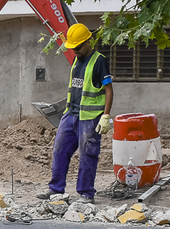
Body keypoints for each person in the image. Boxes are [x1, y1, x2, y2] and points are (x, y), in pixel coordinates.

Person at [36, 23, 114, 204]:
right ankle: (56, 189)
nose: (75, 51)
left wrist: (105, 116)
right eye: (72, 48)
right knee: (59, 150)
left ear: (87, 42)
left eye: (77, 47)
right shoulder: (76, 61)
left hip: (89, 118)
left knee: (87, 155)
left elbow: (109, 90)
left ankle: (86, 194)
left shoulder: (99, 61)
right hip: (71, 114)